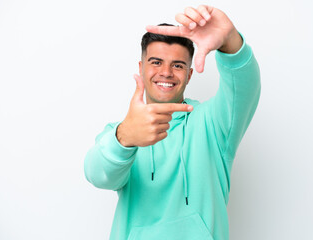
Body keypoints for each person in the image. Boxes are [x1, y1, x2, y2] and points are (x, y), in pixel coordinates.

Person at [84, 5, 261, 240]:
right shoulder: (122, 132)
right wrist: (125, 137)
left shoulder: (212, 123)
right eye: (156, 62)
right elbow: (97, 174)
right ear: (142, 68)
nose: (166, 72)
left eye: (177, 65)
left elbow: (244, 87)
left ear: (189, 74)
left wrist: (230, 42)